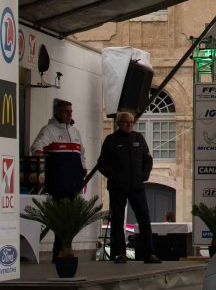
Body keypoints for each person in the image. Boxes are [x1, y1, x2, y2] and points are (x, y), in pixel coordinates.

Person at [96, 112, 161, 265]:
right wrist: (115, 176)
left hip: (137, 186)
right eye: (126, 122)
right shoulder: (111, 140)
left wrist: (144, 175)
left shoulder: (138, 138)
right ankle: (119, 254)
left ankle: (149, 253)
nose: (129, 125)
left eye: (132, 122)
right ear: (119, 123)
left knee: (144, 219)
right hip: (117, 187)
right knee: (117, 221)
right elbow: (101, 164)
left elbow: (148, 160)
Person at [31, 99, 86, 261]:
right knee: (60, 218)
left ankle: (66, 249)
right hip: (58, 182)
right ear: (57, 112)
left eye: (71, 111)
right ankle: (59, 251)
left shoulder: (75, 132)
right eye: (65, 111)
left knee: (71, 219)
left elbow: (82, 155)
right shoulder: (48, 130)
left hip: (74, 182)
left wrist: (83, 173)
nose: (69, 114)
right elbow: (36, 148)